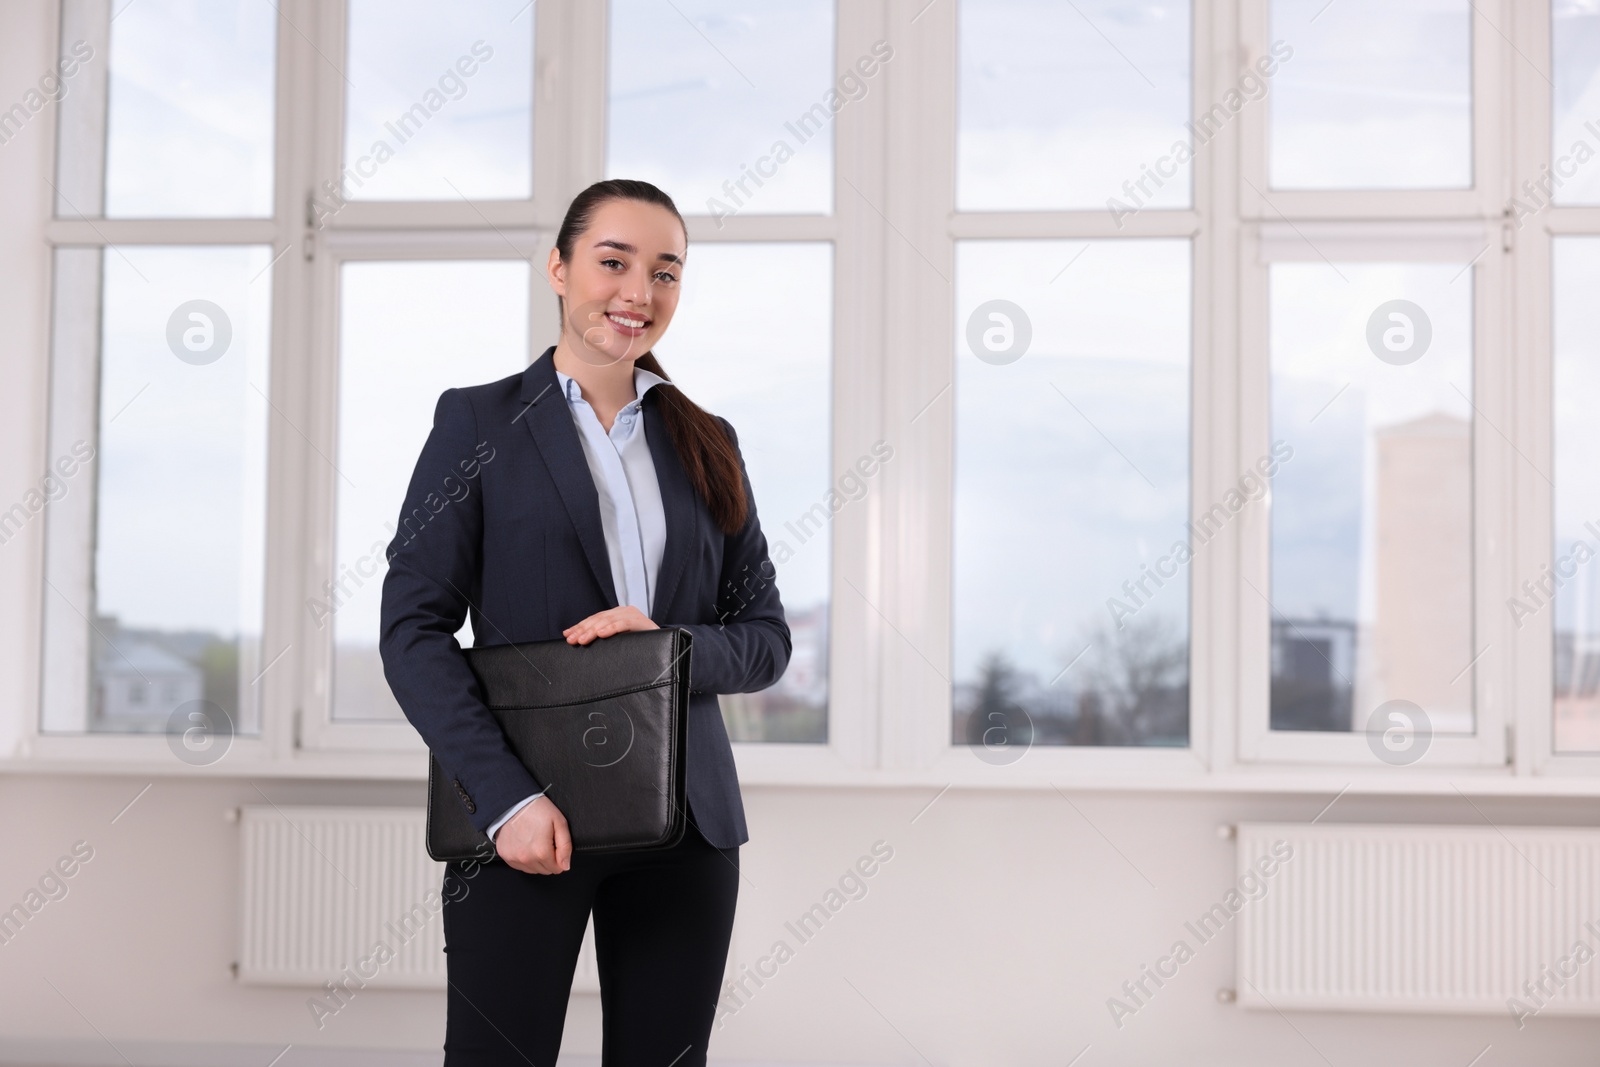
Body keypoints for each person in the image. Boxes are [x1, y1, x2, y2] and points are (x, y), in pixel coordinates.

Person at [378, 178, 792, 1064]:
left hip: (686, 823)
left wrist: (669, 648)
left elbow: (764, 636)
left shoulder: (707, 438)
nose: (639, 292)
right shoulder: (477, 422)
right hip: (526, 815)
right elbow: (412, 631)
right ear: (559, 269)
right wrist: (505, 797)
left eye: (666, 272)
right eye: (615, 262)